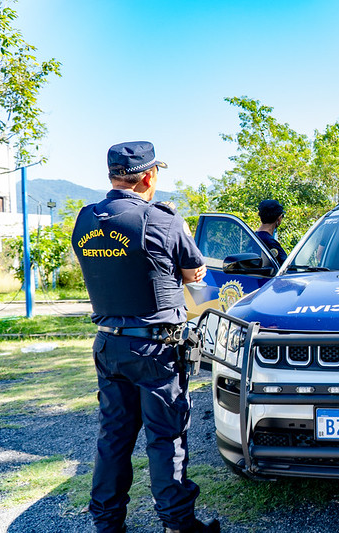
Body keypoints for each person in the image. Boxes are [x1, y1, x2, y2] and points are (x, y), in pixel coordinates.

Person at [72, 141, 219, 533]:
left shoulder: (85, 219)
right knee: (165, 436)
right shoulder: (163, 219)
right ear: (149, 176)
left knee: (113, 438)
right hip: (155, 348)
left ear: (112, 175)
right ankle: (177, 524)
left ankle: (106, 524)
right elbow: (194, 274)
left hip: (108, 343)